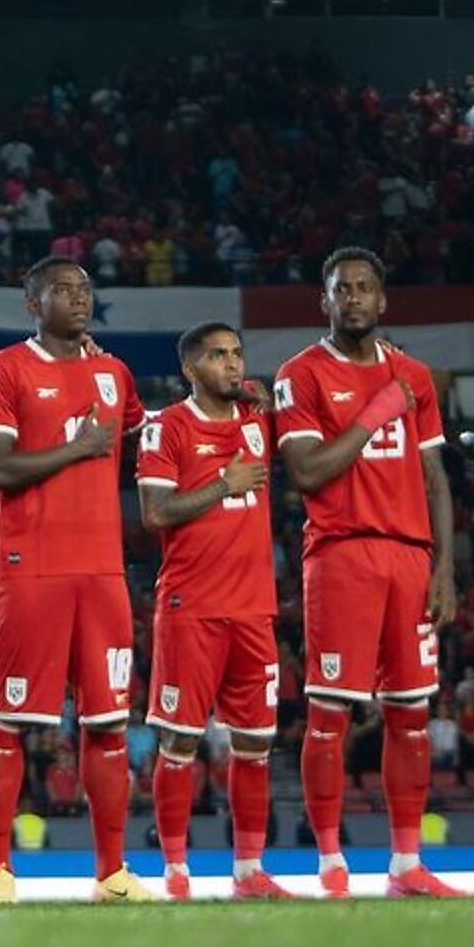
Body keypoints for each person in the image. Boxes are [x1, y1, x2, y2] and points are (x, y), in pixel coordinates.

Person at [273, 248, 462, 898]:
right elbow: (308, 473)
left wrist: (446, 569)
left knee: (411, 713)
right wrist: (377, 412)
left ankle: (406, 864)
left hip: (410, 558)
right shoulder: (300, 375)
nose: (352, 297)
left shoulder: (414, 376)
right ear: (324, 301)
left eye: (363, 287)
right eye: (341, 288)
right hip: (341, 554)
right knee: (329, 714)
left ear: (382, 300)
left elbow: (435, 478)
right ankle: (330, 861)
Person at [0, 257, 154, 904]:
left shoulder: (113, 373)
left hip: (102, 570)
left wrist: (228, 404)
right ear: (32, 303)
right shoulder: (2, 370)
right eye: (62, 290)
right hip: (31, 567)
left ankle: (111, 874)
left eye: (85, 289)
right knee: (10, 720)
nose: (79, 298)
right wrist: (78, 448)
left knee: (108, 723)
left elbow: (147, 430)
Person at [136, 323, 293, 901]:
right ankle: (175, 872)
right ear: (190, 369)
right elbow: (156, 513)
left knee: (255, 745)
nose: (232, 364)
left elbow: (280, 403)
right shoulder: (166, 428)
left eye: (237, 354)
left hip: (253, 609)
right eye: (217, 356)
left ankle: (249, 871)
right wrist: (224, 485)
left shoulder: (255, 420)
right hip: (191, 607)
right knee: (179, 744)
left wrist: (261, 395)